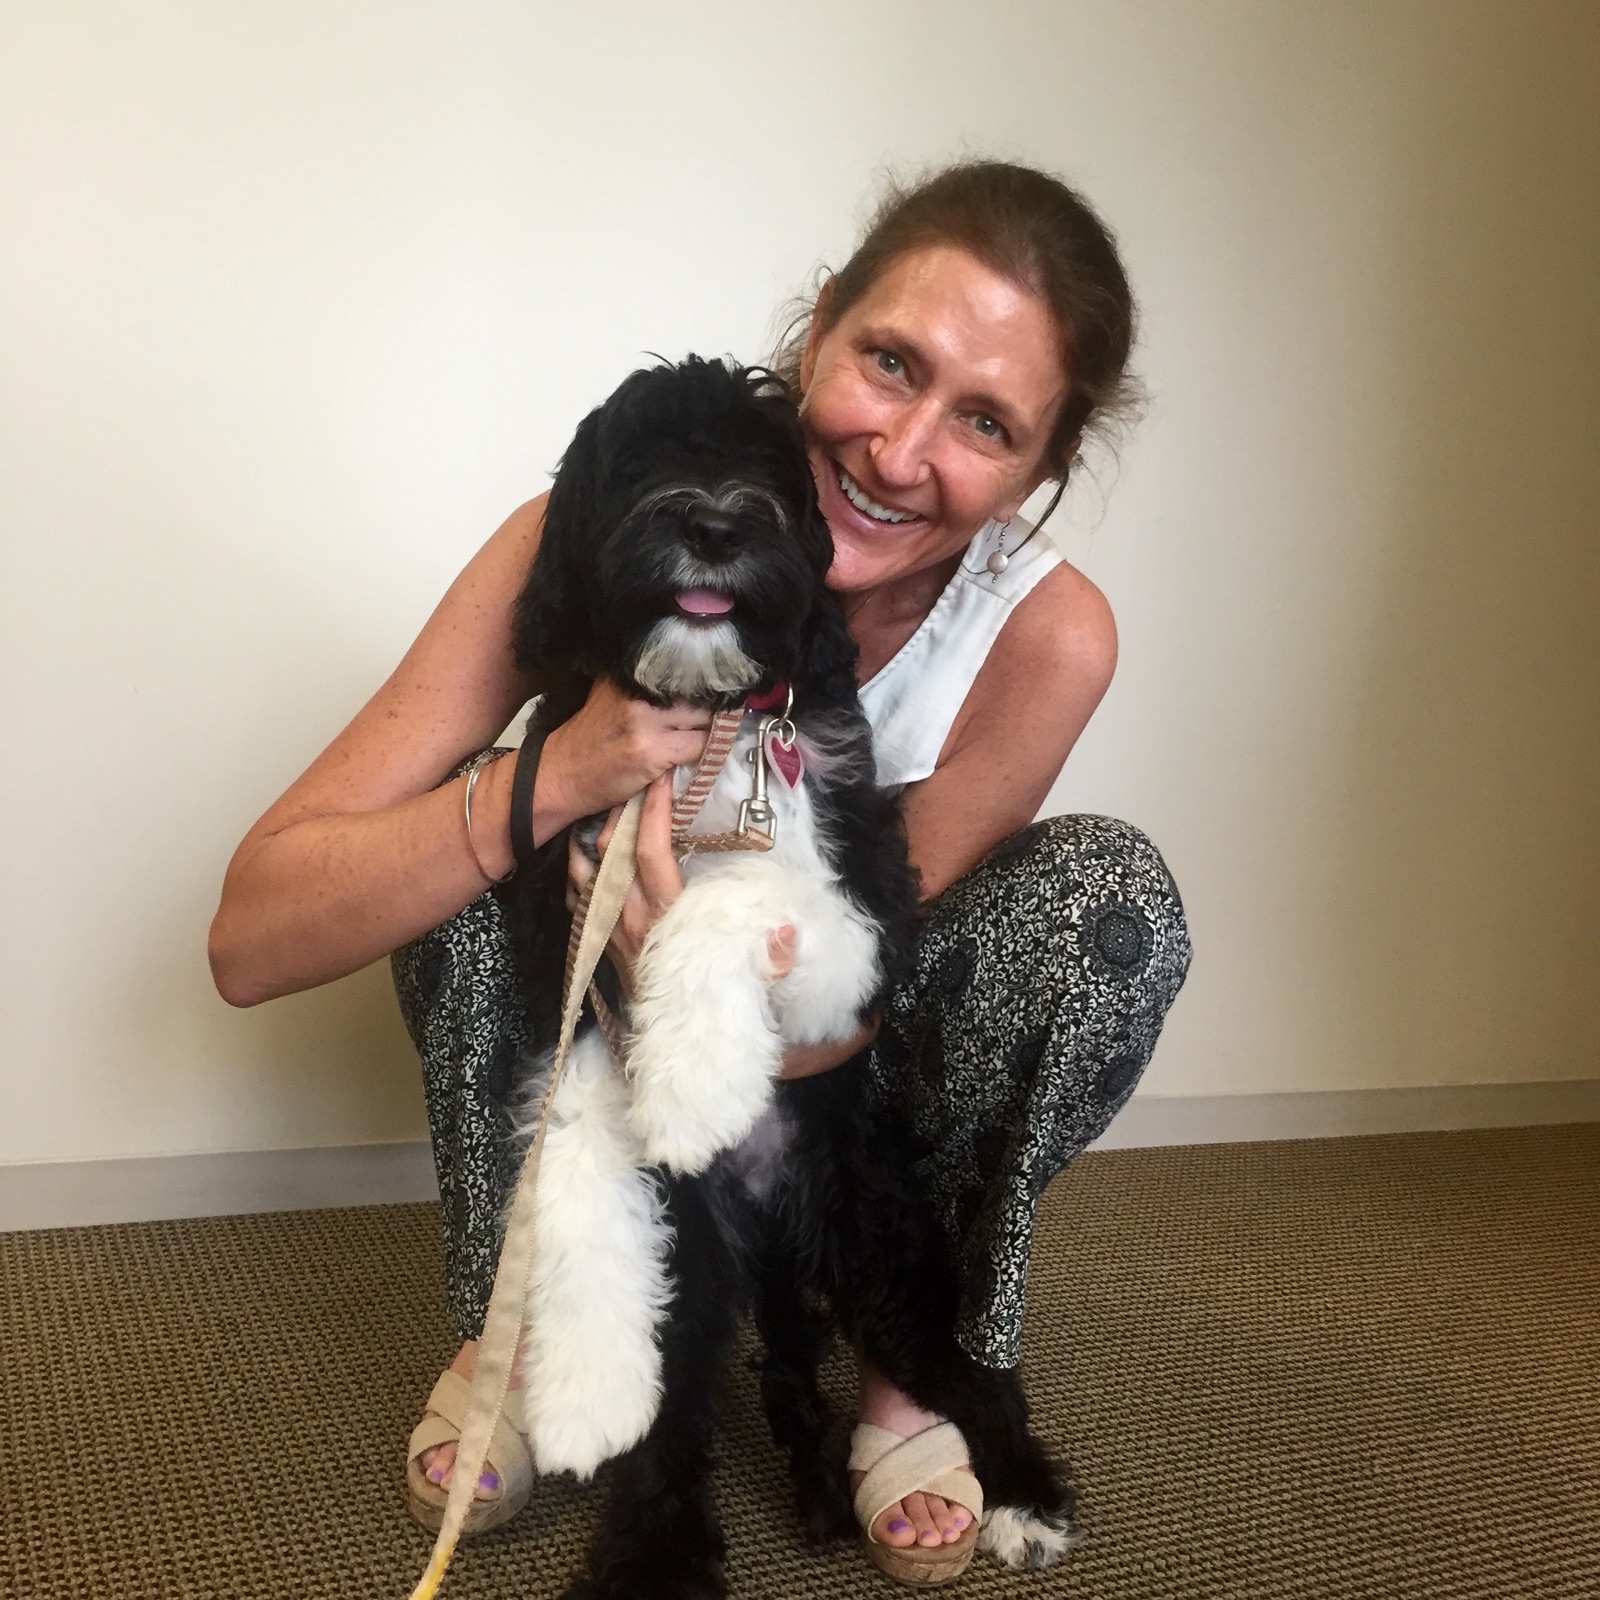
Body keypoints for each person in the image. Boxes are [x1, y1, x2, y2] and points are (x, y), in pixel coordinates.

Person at [209, 160, 1191, 1570]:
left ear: (1043, 467)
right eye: (889, 362)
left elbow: (866, 983)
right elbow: (253, 938)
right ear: (820, 329)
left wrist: (694, 976)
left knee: (1108, 902)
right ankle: (534, 1309)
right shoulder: (587, 519)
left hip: (819, 1088)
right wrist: (563, 776)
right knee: (461, 842)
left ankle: (910, 1366)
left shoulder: (1047, 636)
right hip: (585, 1092)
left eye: (985, 422)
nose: (903, 453)